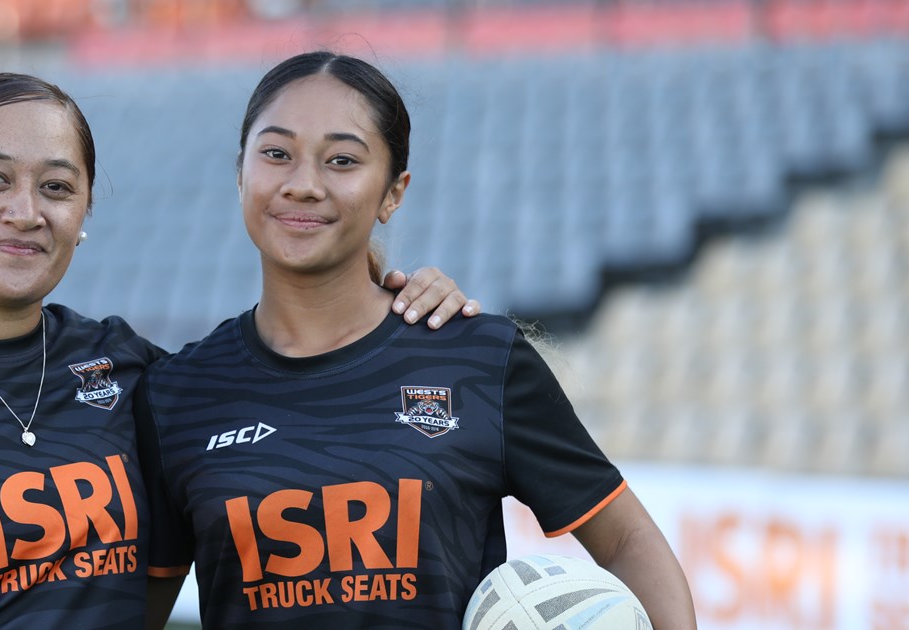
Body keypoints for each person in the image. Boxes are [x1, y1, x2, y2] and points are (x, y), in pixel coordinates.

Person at [0, 73, 478, 630]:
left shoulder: (129, 370)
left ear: (83, 213)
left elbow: (282, 374)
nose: (25, 212)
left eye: (56, 187)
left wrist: (392, 291)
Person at [137, 52, 697, 629]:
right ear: (240, 174)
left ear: (393, 193)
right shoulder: (177, 395)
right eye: (276, 153)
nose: (303, 184)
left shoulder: (475, 358)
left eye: (342, 160)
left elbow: (628, 538)